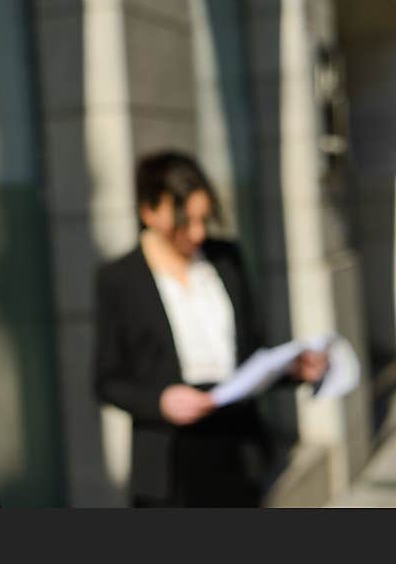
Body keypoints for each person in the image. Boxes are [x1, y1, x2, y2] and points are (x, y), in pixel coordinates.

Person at [93, 151, 327, 507]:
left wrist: (292, 369)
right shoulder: (120, 279)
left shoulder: (226, 258)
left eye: (205, 219)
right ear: (149, 212)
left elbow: (253, 356)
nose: (198, 233)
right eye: (185, 222)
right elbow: (106, 380)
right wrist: (160, 401)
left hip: (237, 445)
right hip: (169, 458)